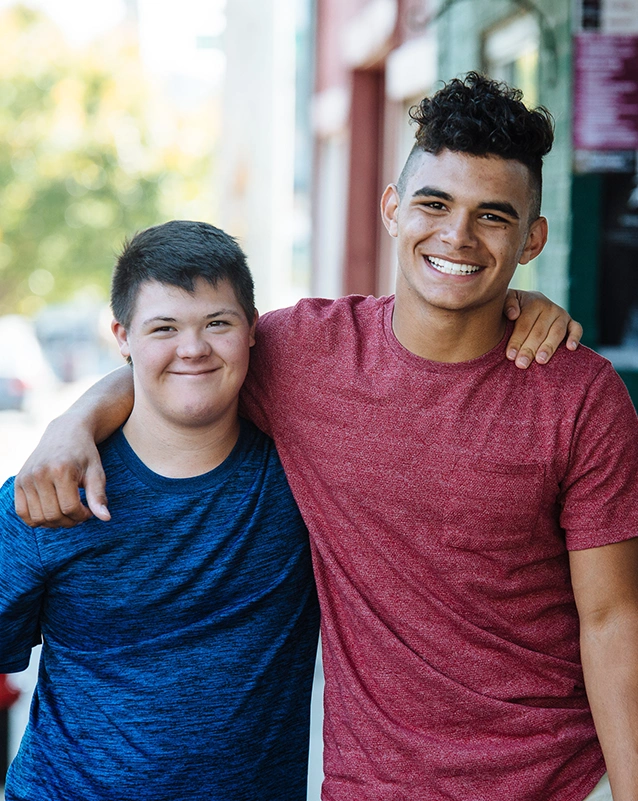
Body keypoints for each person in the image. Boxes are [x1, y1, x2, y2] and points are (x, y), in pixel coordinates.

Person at [13, 73, 633, 801]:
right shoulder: (306, 353)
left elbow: (614, 619)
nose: (457, 235)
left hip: (558, 780)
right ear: (392, 209)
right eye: (435, 204)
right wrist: (73, 422)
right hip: (370, 785)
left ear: (531, 240)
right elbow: (191, 359)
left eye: (492, 217)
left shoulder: (579, 394)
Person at [0, 220, 319, 800]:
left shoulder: (304, 480)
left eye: (216, 323)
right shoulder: (51, 488)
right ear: (122, 337)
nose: (192, 348)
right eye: (163, 327)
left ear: (252, 330)